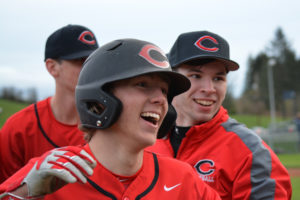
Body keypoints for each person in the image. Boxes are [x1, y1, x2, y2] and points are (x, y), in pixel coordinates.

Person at [0, 39, 221, 200]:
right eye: (142, 84)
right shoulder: (50, 172)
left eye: (164, 91)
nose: (160, 100)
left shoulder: (182, 178)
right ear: (99, 99)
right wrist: (23, 195)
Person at [147, 31, 292, 199]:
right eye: (196, 76)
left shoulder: (250, 152)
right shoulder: (145, 140)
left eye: (218, 78)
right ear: (172, 80)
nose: (209, 89)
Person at [0, 24, 99, 183]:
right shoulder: (19, 128)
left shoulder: (108, 124)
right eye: (80, 61)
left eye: (93, 61)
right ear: (52, 67)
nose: (90, 69)